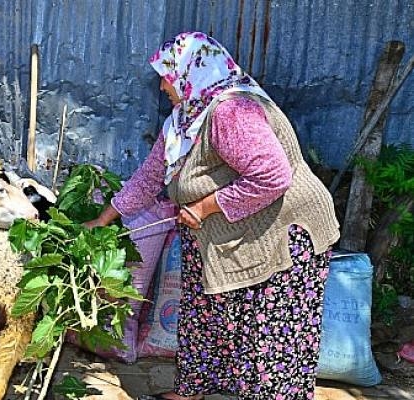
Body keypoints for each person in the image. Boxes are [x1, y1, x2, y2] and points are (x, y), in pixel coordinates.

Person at [84, 32, 339, 400]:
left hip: (280, 234)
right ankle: (191, 391)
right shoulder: (185, 119)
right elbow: (149, 178)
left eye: (167, 76)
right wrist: (104, 218)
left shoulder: (230, 112)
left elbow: (272, 176)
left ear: (192, 73)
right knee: (204, 313)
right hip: (223, 237)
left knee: (267, 335)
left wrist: (204, 207)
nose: (162, 86)